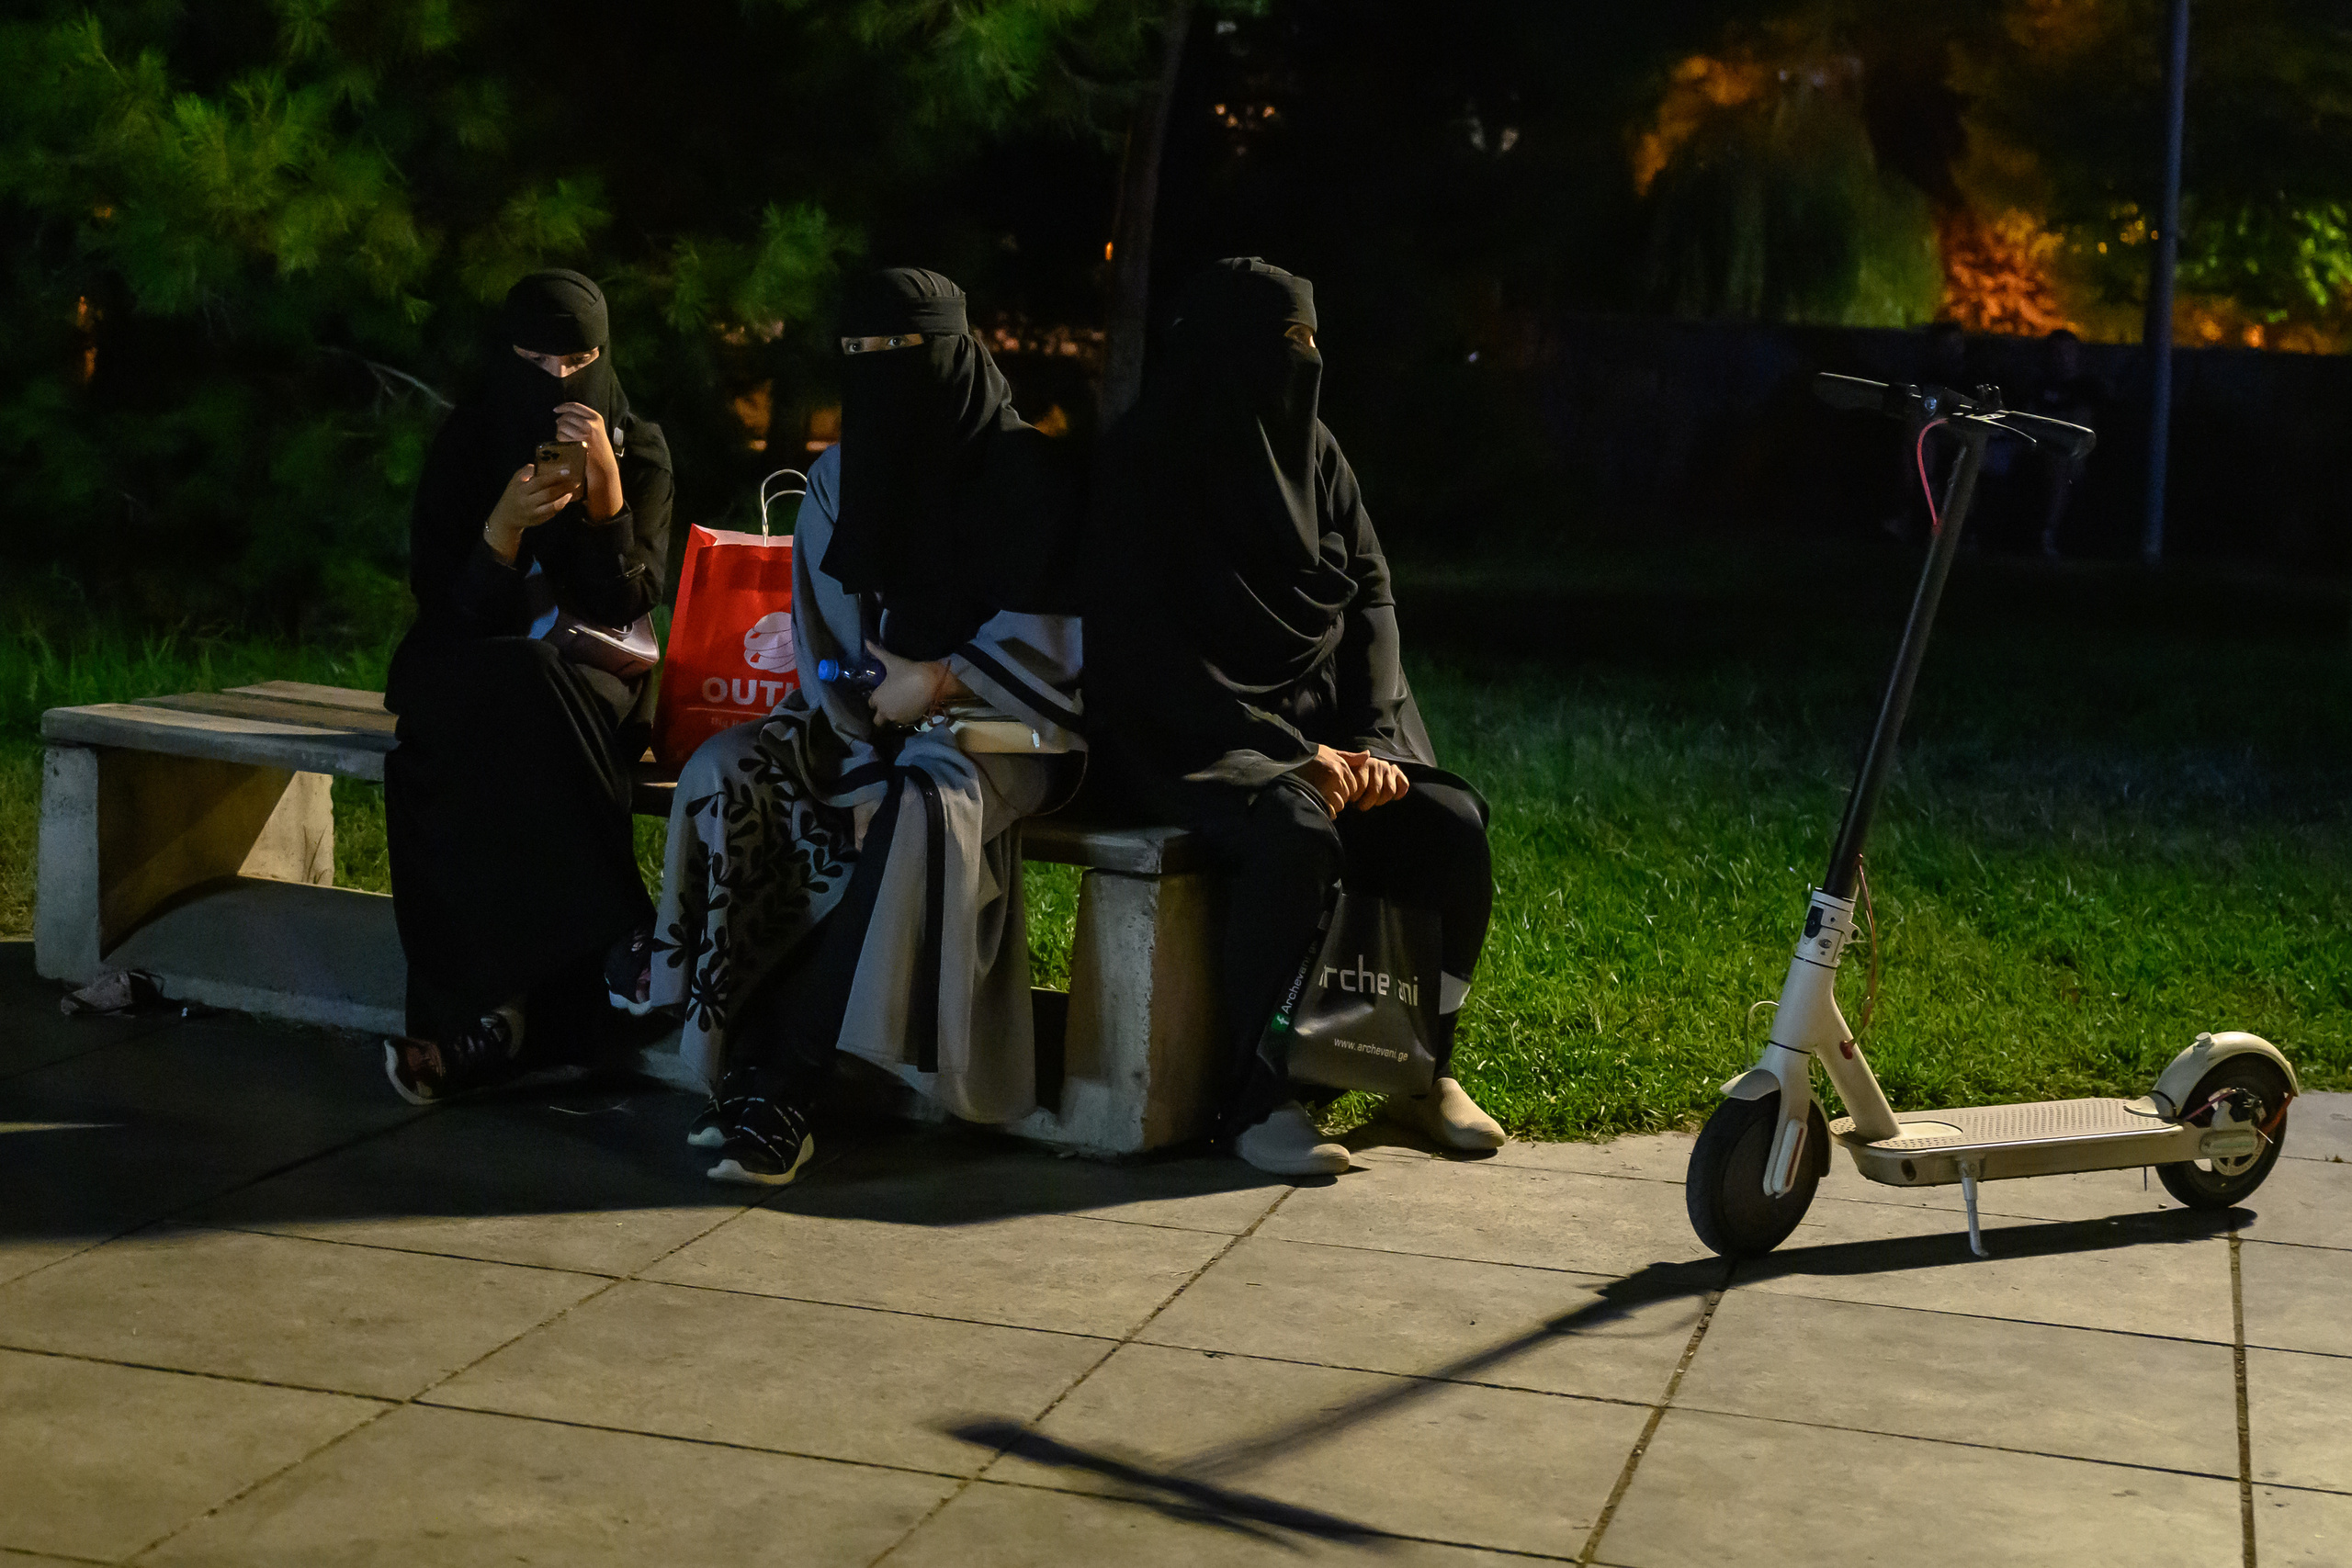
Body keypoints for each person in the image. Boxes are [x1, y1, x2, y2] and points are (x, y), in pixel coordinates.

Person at [648, 267, 1084, 1186]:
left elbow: (1063, 645)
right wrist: (859, 734)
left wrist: (939, 682)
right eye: (858, 358)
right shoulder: (844, 478)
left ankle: (792, 1087)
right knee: (734, 770)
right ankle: (739, 1055)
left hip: (1012, 725)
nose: (879, 377)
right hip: (873, 715)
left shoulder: (1027, 474)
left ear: (956, 352)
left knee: (927, 797)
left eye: (901, 356)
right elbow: (831, 653)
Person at [1084, 257, 1504, 1177]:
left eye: (1313, 341)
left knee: (1449, 826)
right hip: (1183, 733)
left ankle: (1417, 1067)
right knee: (1291, 834)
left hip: (1324, 732)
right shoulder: (1143, 468)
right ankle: (1260, 1100)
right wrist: (1288, 753)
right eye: (1283, 343)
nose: (1303, 362)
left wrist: (1366, 743)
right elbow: (1145, 654)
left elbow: (1370, 600)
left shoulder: (1317, 455)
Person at [381, 269, 672, 1102]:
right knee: (463, 719)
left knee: (487, 718)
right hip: (478, 665)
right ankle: (622, 927)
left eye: (578, 362)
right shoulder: (470, 444)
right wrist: (502, 532)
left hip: (591, 679)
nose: (558, 384)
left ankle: (476, 1022)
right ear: (507, 357)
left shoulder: (639, 447)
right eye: (537, 364)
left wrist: (607, 504)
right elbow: (447, 609)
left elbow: (631, 603)